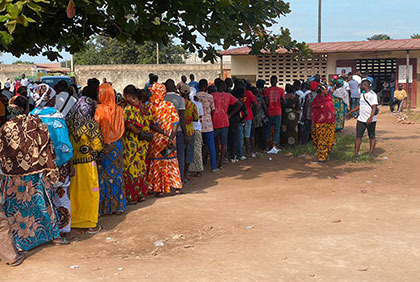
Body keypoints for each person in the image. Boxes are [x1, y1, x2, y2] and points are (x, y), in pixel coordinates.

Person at [0, 96, 61, 251]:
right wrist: (49, 168)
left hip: (13, 178)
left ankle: (19, 242)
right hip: (35, 175)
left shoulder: (5, 127)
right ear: (26, 108)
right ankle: (51, 236)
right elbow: (47, 147)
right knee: (40, 205)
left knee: (16, 209)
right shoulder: (36, 124)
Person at [30, 84, 74, 241]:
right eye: (54, 97)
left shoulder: (31, 116)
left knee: (42, 198)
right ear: (50, 99)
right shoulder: (57, 116)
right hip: (57, 165)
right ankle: (64, 230)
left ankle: (46, 232)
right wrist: (69, 163)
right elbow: (64, 144)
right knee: (61, 196)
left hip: (38, 166)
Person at [67, 97, 104, 233]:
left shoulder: (68, 122)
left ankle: (74, 221)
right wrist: (92, 152)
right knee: (90, 193)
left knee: (74, 193)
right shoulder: (90, 124)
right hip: (87, 166)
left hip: (71, 165)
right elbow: (99, 145)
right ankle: (89, 223)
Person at [95, 83, 126, 215]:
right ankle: (118, 206)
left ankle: (104, 207)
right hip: (117, 145)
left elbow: (96, 127)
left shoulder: (98, 110)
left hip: (103, 146)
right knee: (117, 174)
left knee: (103, 175)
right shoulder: (119, 109)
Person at [147, 83, 182, 196]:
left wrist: (162, 132)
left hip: (156, 140)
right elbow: (176, 123)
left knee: (157, 163)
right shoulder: (169, 105)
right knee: (171, 161)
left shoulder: (150, 107)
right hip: (169, 139)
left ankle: (159, 189)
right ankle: (176, 186)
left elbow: (151, 125)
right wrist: (171, 137)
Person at [122, 86, 152, 203]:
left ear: (129, 96)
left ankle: (132, 196)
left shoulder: (129, 109)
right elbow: (149, 122)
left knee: (130, 169)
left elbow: (130, 127)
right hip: (144, 143)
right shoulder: (145, 107)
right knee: (140, 168)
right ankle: (141, 194)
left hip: (132, 143)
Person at [211, 79, 242, 168]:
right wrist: (230, 114)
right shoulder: (228, 95)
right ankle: (220, 163)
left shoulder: (212, 95)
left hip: (214, 122)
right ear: (225, 87)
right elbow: (239, 104)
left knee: (214, 143)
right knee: (224, 144)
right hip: (225, 122)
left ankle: (214, 161)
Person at [347, 78, 378, 159]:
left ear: (365, 85)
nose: (360, 86)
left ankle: (371, 153)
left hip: (371, 120)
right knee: (358, 136)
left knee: (372, 136)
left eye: (361, 85)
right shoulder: (362, 95)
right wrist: (351, 111)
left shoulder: (373, 95)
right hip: (361, 119)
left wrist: (371, 117)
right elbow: (360, 106)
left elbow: (374, 107)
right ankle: (356, 153)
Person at [164, 79, 188, 182]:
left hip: (164, 132)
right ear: (174, 87)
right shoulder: (180, 100)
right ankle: (180, 178)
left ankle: (166, 179)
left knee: (166, 156)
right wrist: (185, 134)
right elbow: (182, 118)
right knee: (180, 156)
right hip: (178, 131)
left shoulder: (161, 99)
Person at [196, 79, 219, 172]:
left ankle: (199, 167)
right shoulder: (210, 97)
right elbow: (213, 110)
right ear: (206, 86)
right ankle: (213, 167)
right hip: (208, 123)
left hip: (198, 124)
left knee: (199, 147)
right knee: (211, 146)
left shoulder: (195, 96)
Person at [311, 83, 336, 162]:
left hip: (330, 122)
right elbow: (314, 111)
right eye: (325, 89)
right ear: (322, 91)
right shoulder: (317, 100)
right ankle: (322, 157)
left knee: (330, 140)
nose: (327, 90)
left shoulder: (329, 97)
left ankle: (327, 154)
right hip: (320, 123)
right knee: (321, 140)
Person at [180, 84, 198, 182]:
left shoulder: (178, 103)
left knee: (181, 152)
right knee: (189, 152)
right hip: (190, 130)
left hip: (179, 130)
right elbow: (196, 118)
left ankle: (181, 173)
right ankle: (186, 173)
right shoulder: (192, 105)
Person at [264, 75, 285, 154]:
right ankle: (274, 145)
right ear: (277, 81)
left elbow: (266, 101)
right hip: (278, 111)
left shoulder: (267, 90)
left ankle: (267, 145)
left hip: (269, 111)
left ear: (270, 81)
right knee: (277, 129)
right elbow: (284, 101)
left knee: (268, 129)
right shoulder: (281, 90)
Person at [229, 83, 248, 162]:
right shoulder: (240, 102)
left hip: (229, 120)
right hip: (236, 121)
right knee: (237, 139)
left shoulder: (231, 100)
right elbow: (246, 113)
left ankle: (231, 155)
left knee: (230, 139)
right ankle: (237, 155)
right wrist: (241, 120)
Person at [190, 91, 204, 176]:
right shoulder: (198, 104)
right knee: (197, 149)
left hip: (188, 129)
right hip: (197, 128)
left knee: (189, 150)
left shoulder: (185, 104)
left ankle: (188, 170)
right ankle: (198, 170)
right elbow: (200, 116)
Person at [241, 81, 256, 158]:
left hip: (240, 116)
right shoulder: (249, 93)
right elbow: (254, 103)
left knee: (241, 135)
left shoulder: (237, 92)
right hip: (248, 116)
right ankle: (249, 152)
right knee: (247, 135)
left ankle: (241, 153)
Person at [253, 79, 268, 151]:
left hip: (255, 117)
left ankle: (256, 146)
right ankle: (264, 146)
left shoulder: (254, 94)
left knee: (256, 133)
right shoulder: (263, 94)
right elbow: (265, 107)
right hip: (262, 116)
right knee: (263, 132)